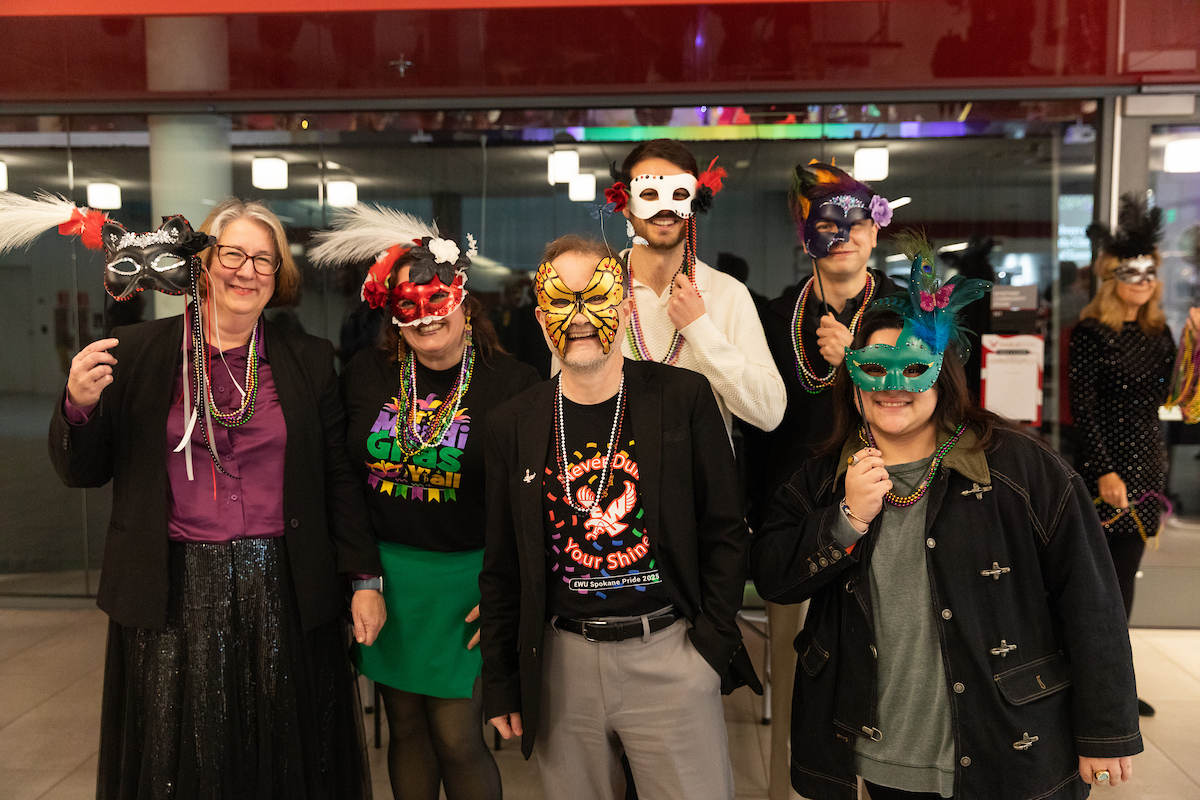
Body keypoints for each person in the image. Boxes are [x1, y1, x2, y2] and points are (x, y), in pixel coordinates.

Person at [752, 236, 1142, 800]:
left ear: (942, 375)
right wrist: (844, 520)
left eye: (913, 368)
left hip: (1009, 745)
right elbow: (773, 574)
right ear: (853, 381)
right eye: (873, 368)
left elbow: (1091, 598)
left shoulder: (1022, 469)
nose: (892, 386)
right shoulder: (823, 477)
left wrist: (1106, 730)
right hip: (884, 760)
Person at [46, 198, 384, 798]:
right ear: (203, 262)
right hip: (170, 592)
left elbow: (337, 475)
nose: (247, 271)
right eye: (233, 254)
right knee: (181, 761)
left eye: (264, 259)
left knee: (283, 758)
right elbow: (83, 471)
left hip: (285, 586)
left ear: (277, 275)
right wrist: (79, 405)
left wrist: (364, 578)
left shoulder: (307, 359)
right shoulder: (138, 352)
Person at [479, 234, 758, 800]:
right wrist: (503, 682)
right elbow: (504, 566)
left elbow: (726, 528)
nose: (580, 317)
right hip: (562, 667)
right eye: (562, 302)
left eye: (597, 298)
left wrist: (710, 648)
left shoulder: (683, 397)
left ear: (626, 308)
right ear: (541, 319)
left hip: (670, 653)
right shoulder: (513, 424)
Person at [312, 206, 540, 800]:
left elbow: (531, 506)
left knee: (457, 737)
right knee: (407, 729)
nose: (426, 316)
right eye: (407, 306)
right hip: (389, 583)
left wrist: (509, 594)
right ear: (391, 312)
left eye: (437, 299)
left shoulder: (513, 385)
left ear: (464, 300)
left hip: (469, 584)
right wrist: (362, 577)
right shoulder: (366, 374)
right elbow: (344, 482)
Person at [744, 160, 897, 800]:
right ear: (805, 234)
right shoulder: (776, 316)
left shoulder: (907, 311)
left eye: (856, 222)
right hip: (799, 520)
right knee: (793, 674)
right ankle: (783, 791)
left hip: (893, 510)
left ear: (875, 230)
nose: (844, 235)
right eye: (827, 223)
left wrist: (856, 361)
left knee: (889, 672)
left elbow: (937, 402)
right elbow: (757, 426)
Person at [1071, 195, 1177, 718]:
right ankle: (1089, 689)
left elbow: (1177, 397)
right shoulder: (1092, 333)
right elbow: (1083, 409)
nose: (1142, 281)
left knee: (1124, 581)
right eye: (1131, 272)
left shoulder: (1159, 334)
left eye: (1149, 272)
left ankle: (1115, 689)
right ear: (1112, 278)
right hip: (1106, 473)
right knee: (1099, 587)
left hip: (1149, 469)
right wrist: (1104, 471)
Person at [606, 138, 785, 436]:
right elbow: (562, 399)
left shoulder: (728, 294)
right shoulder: (596, 290)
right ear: (625, 203)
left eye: (678, 194)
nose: (665, 208)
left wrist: (701, 330)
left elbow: (770, 413)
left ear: (696, 200)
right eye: (649, 194)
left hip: (702, 467)